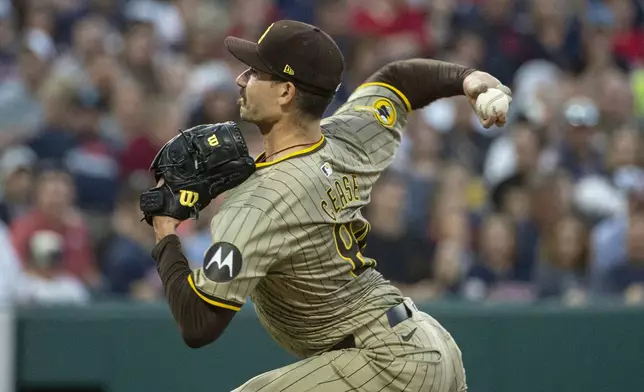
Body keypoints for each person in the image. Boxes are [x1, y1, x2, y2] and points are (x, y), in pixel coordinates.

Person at [148, 20, 508, 391]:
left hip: (384, 363)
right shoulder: (349, 137)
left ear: (286, 92)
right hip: (429, 343)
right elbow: (398, 80)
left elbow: (198, 324)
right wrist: (467, 78)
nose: (241, 79)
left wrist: (164, 232)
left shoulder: (258, 203)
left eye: (256, 72)